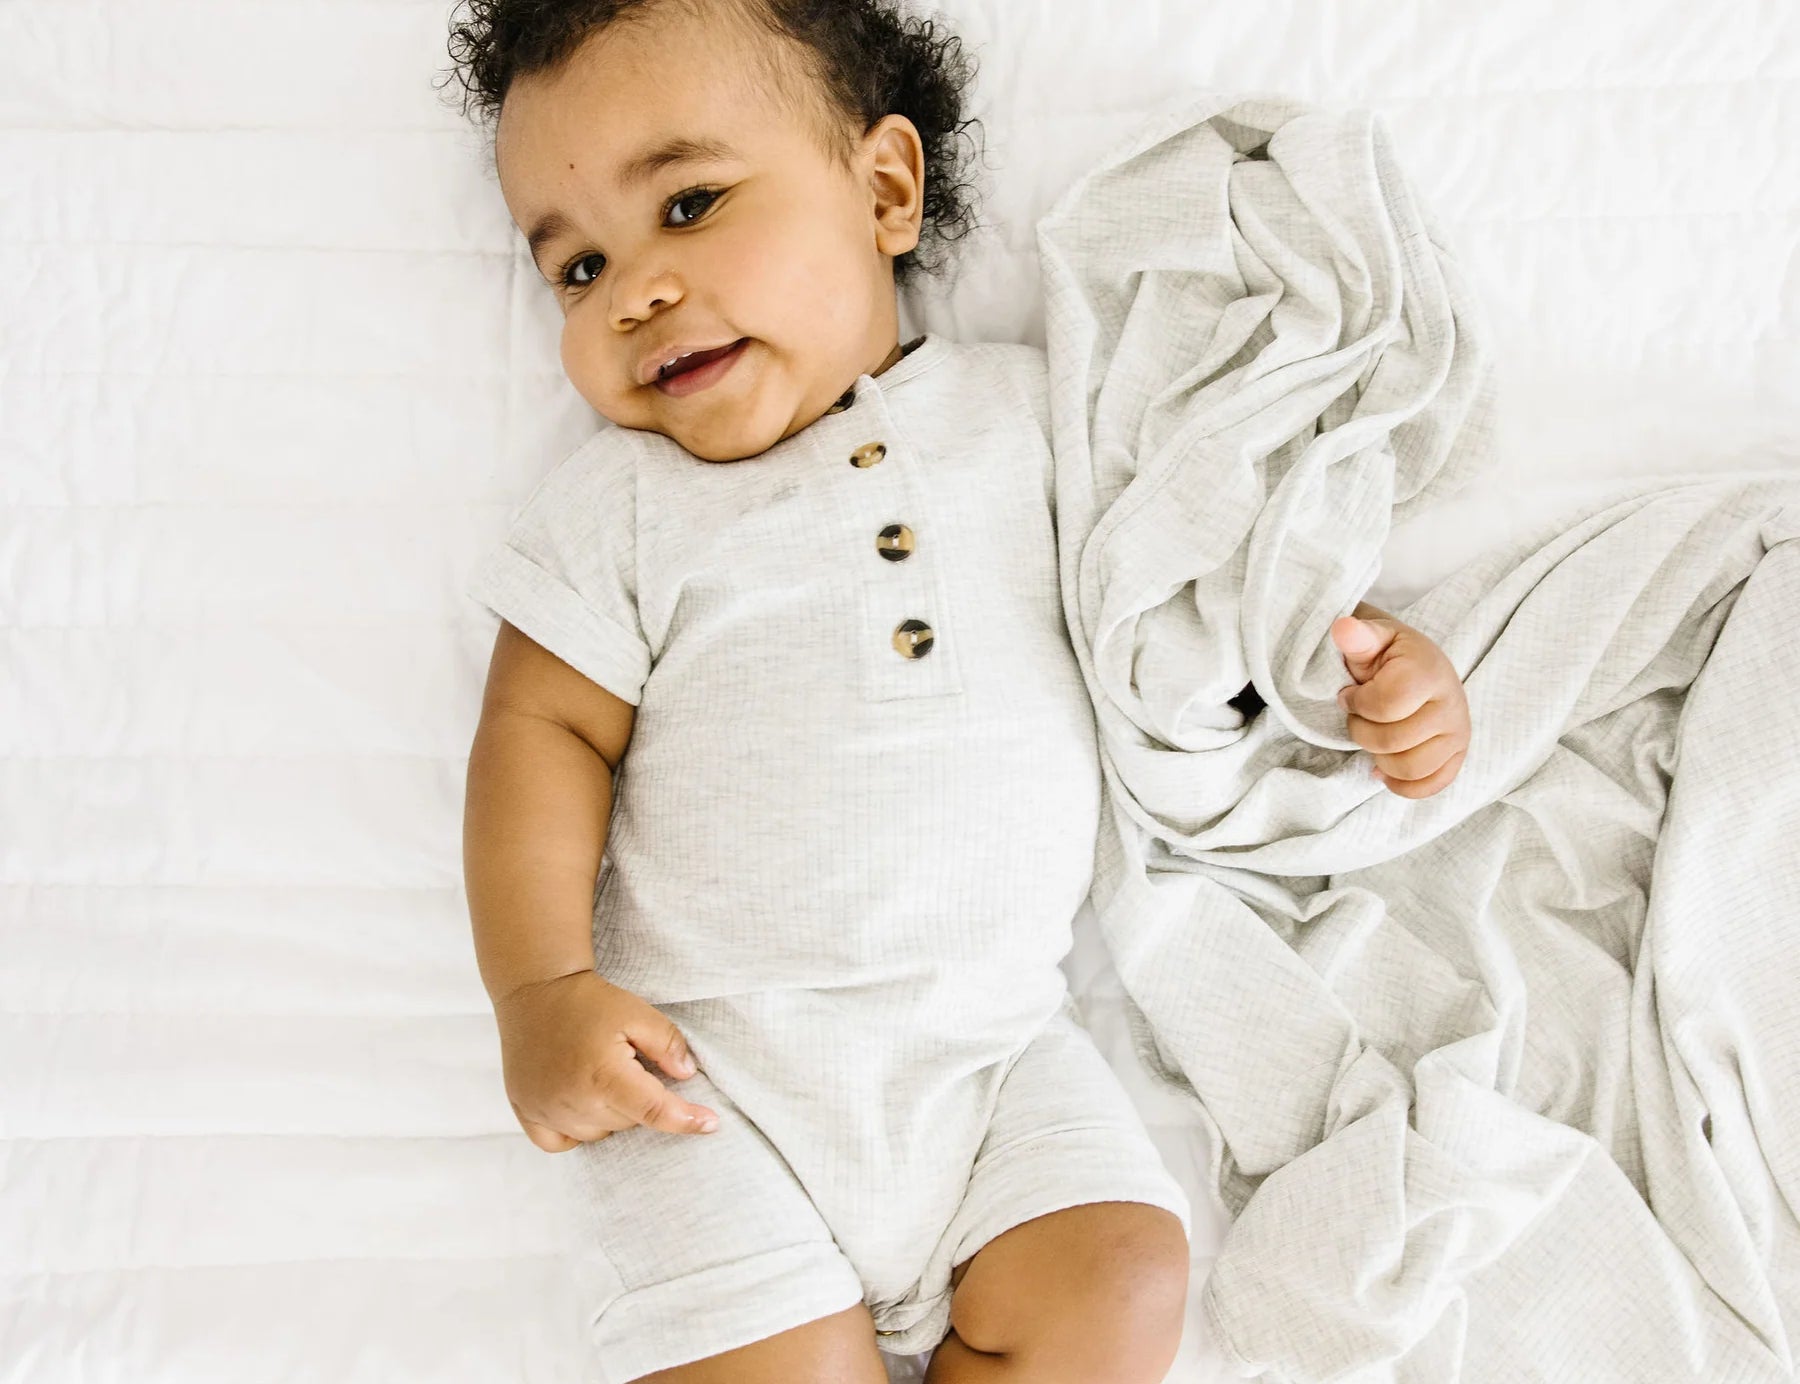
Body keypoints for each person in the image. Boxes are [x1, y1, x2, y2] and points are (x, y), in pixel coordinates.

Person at [442, 1, 1474, 1380]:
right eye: (577, 268)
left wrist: (1354, 666)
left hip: (992, 1053)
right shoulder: (624, 503)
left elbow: (1197, 599)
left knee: (1122, 1268)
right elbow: (541, 727)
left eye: (688, 205)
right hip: (700, 1082)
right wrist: (538, 991)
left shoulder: (1045, 421)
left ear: (883, 189)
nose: (631, 292)